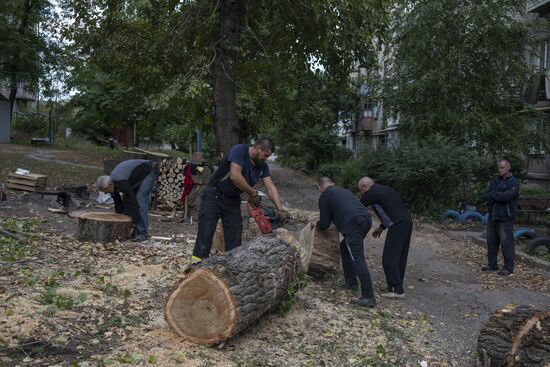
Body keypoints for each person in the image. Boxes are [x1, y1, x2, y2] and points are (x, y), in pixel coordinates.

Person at [192, 138, 290, 261]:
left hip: (232, 200)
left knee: (234, 242)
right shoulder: (239, 150)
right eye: (266, 155)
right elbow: (235, 176)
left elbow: (270, 187)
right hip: (214, 195)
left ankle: (230, 272)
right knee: (205, 235)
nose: (266, 159)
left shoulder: (262, 166)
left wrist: (280, 209)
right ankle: (195, 267)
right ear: (258, 148)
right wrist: (252, 193)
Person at [310, 177, 376, 308]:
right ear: (332, 184)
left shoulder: (324, 197)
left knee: (357, 257)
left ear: (320, 187)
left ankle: (368, 297)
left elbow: (324, 224)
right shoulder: (344, 191)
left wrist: (315, 224)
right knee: (345, 247)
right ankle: (351, 283)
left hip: (354, 224)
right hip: (366, 220)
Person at [358, 177, 412, 299]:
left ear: (364, 187)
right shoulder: (385, 189)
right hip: (406, 222)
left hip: (398, 225)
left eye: (361, 190)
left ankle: (397, 290)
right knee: (400, 257)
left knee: (389, 258)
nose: (362, 193)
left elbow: (358, 207)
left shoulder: (371, 193)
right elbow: (391, 210)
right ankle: (396, 286)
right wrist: (381, 227)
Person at [95, 159, 159, 242]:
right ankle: (130, 231)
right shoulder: (112, 184)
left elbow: (134, 205)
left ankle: (142, 234)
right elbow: (118, 204)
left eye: (105, 190)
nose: (106, 193)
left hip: (150, 170)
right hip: (135, 176)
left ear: (110, 185)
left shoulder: (122, 183)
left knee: (140, 199)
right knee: (127, 200)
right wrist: (119, 220)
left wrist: (133, 225)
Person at [483, 159, 519, 276]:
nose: (500, 170)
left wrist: (494, 195)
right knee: (491, 241)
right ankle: (492, 265)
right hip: (492, 215)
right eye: (499, 168)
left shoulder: (513, 181)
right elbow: (487, 195)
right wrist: (497, 195)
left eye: (502, 168)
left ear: (508, 168)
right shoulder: (495, 181)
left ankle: (508, 268)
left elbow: (508, 196)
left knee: (506, 242)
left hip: (505, 217)